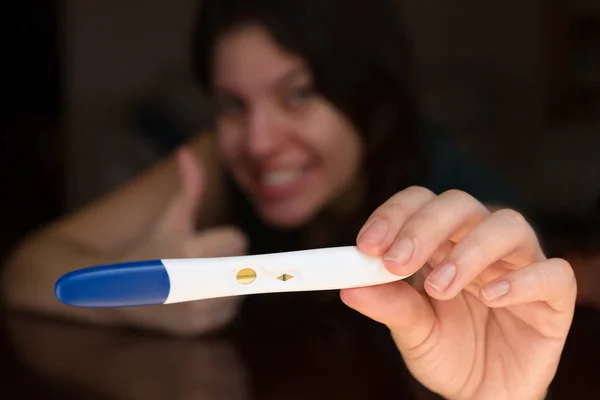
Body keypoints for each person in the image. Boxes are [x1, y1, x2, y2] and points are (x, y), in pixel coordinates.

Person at [1, 0, 576, 398]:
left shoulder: (438, 172)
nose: (257, 141)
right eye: (232, 104)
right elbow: (29, 269)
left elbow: (521, 267)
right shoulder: (216, 160)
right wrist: (141, 301)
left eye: (297, 95)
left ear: (365, 98)